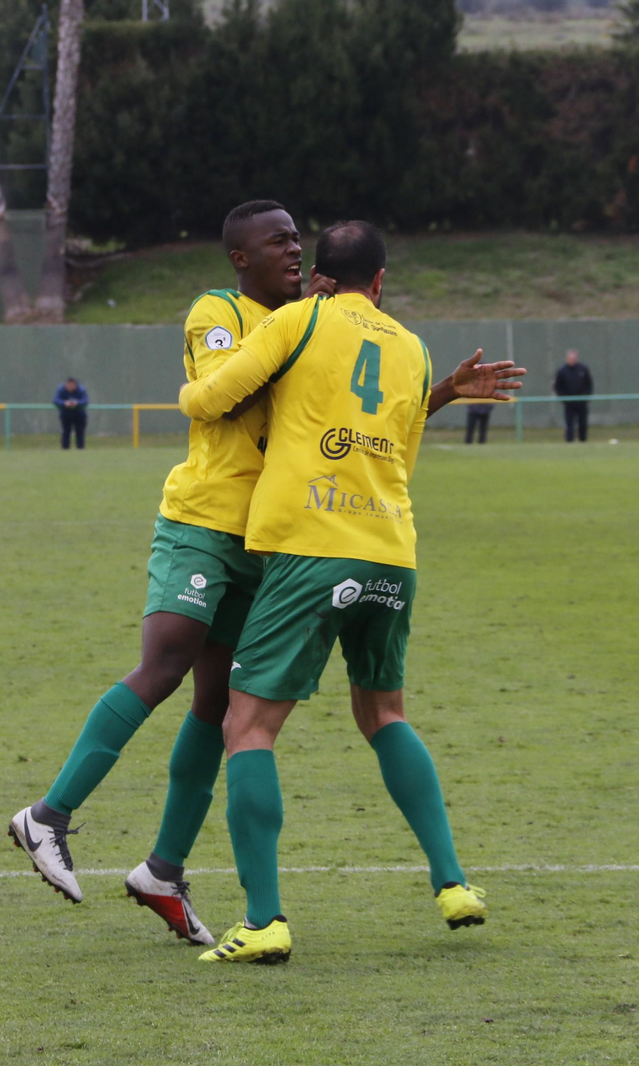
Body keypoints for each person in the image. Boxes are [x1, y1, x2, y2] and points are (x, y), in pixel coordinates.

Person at [176, 220, 525, 964]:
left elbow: (211, 399)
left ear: (322, 276)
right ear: (382, 280)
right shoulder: (410, 345)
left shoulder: (297, 321)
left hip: (310, 547)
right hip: (391, 550)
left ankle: (264, 921)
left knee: (247, 727)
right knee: (383, 712)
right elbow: (396, 450)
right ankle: (453, 882)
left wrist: (189, 385)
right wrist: (443, 394)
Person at [9, 200, 328, 947]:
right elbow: (220, 393)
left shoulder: (303, 323)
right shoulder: (216, 311)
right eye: (277, 240)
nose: (294, 250)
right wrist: (296, 334)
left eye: (298, 239)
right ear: (239, 258)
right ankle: (47, 817)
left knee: (218, 707)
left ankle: (163, 870)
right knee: (166, 661)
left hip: (263, 540)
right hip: (201, 521)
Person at [553, 349, 593, 443]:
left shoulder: (583, 369)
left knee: (582, 423)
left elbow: (589, 384)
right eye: (570, 358)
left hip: (582, 402)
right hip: (569, 403)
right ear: (567, 359)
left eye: (574, 358)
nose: (572, 360)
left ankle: (583, 440)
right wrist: (564, 399)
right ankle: (569, 441)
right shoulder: (562, 370)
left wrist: (586, 397)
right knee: (569, 423)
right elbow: (558, 386)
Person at [54, 378, 89, 450]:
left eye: (72, 385)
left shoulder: (81, 390)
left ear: (75, 385)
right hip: (66, 413)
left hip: (79, 413)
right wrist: (64, 403)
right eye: (69, 385)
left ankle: (80, 449)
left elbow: (85, 400)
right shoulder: (61, 389)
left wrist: (77, 403)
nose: (70, 387)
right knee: (66, 431)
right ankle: (65, 449)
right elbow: (56, 400)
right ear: (66, 385)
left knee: (80, 432)